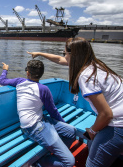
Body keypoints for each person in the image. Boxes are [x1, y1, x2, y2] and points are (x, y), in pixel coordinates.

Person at [27, 37, 123, 167]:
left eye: (65, 53)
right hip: (117, 120)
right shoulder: (95, 65)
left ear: (73, 55)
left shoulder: (86, 76)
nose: (63, 57)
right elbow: (59, 60)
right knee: (90, 143)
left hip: (117, 125)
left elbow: (106, 114)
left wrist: (92, 131)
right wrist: (39, 53)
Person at [0, 60, 76, 167]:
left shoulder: (19, 81)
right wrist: (61, 123)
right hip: (33, 127)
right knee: (70, 162)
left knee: (72, 131)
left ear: (27, 73)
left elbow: (2, 81)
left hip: (41, 121)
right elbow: (53, 111)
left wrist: (5, 70)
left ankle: (55, 153)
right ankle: (38, 163)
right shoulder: (43, 89)